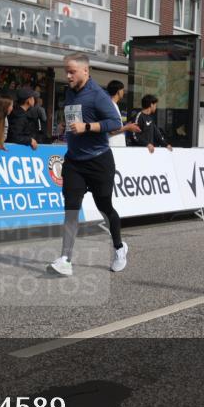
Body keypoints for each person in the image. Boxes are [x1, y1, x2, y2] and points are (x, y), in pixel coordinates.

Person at [49, 53, 127, 276]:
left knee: (105, 207)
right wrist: (68, 126)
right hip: (74, 161)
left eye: (72, 71)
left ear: (86, 71)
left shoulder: (98, 95)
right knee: (71, 209)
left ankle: (119, 247)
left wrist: (88, 127)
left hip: (99, 160)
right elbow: (75, 116)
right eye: (66, 71)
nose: (68, 75)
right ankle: (65, 258)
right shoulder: (68, 92)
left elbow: (114, 123)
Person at [105, 80, 141, 147]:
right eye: (122, 90)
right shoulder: (111, 106)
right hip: (113, 146)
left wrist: (126, 126)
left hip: (116, 146)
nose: (123, 92)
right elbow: (111, 130)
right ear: (118, 91)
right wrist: (128, 127)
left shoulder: (113, 105)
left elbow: (114, 127)